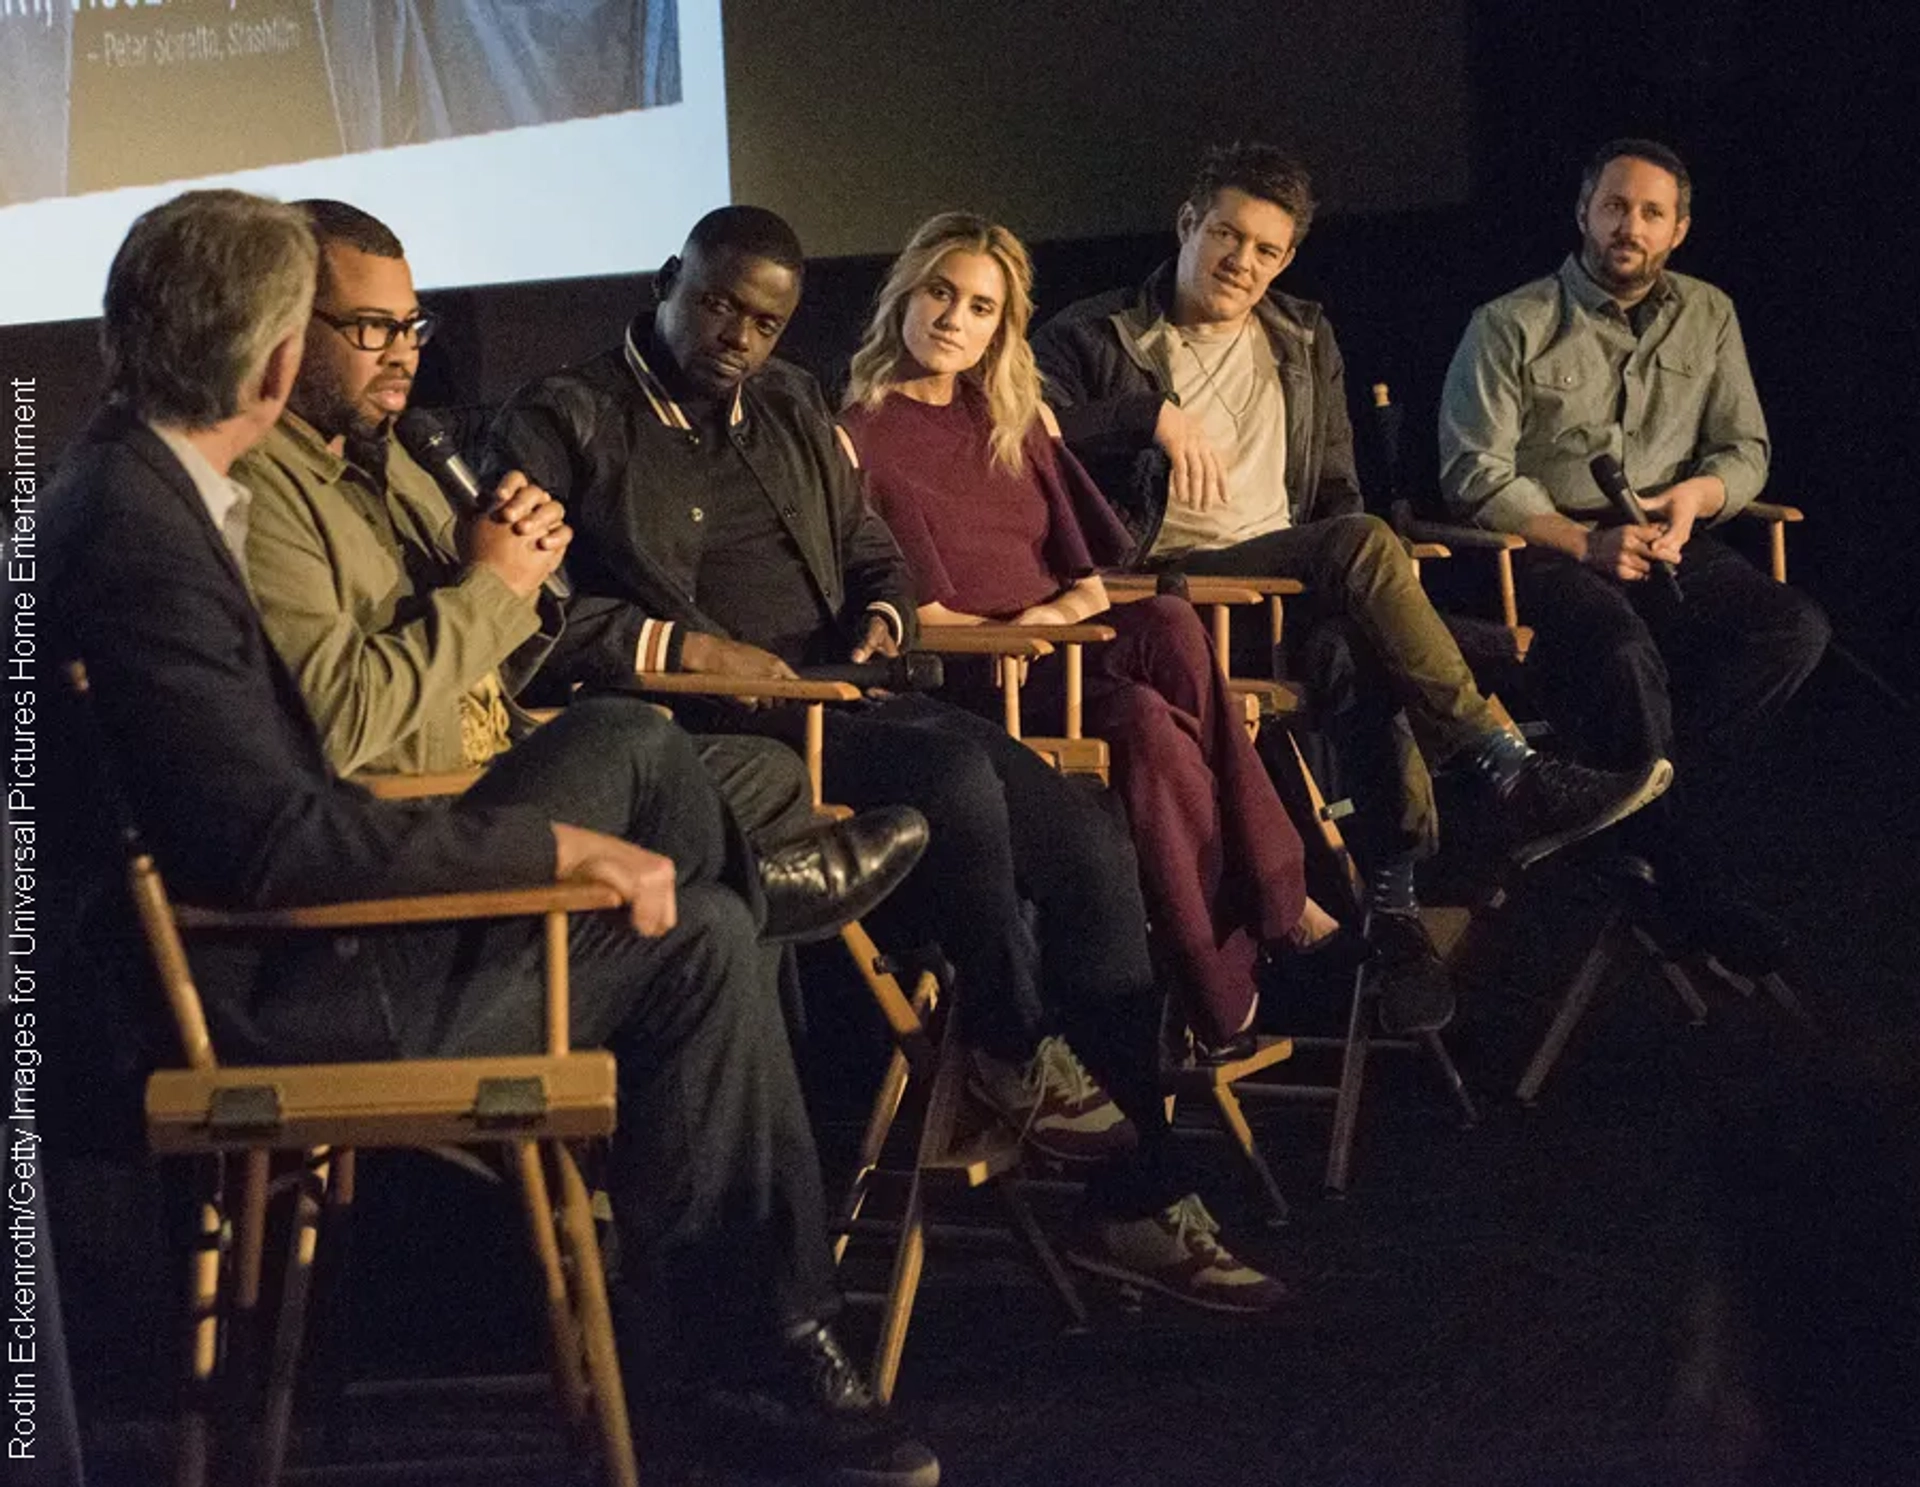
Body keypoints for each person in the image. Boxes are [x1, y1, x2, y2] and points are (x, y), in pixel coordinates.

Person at [41, 189, 937, 1487]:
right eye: (358, 328)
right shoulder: (140, 532)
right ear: (281, 355)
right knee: (705, 936)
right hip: (269, 988)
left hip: (288, 935)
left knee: (686, 874)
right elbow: (272, 844)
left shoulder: (141, 485)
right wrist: (552, 858)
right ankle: (752, 1356)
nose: (400, 356)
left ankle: (751, 1352)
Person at [489, 204, 1288, 1311]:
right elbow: (519, 614)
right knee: (957, 785)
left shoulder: (789, 404)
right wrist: (688, 647)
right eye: (718, 303)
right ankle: (1013, 1051)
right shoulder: (567, 415)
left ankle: (1136, 1198)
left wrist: (883, 618)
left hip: (850, 691)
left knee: (1089, 839)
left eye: (764, 320)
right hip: (710, 721)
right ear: (669, 278)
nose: (738, 334)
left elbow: (872, 558)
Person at [1033, 141, 1675, 1031]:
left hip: (1291, 586)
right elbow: (1025, 425)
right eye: (1227, 235)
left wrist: (1376, 578)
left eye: (1266, 249)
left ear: (1288, 257)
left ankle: (1393, 905)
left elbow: (1335, 494)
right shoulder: (1095, 333)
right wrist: (1150, 414)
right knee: (1365, 550)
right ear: (1188, 225)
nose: (1242, 262)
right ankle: (1505, 771)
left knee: (1364, 635)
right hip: (1172, 600)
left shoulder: (1301, 335)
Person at [233, 198, 928, 945]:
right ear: (280, 327)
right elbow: (340, 722)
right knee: (641, 748)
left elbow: (514, 639)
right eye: (374, 329)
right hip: (432, 807)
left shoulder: (400, 454)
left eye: (412, 328)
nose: (405, 355)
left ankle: (749, 909)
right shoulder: (259, 491)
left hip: (515, 750)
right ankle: (747, 889)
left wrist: (519, 572)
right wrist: (496, 587)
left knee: (766, 776)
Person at [839, 210, 1372, 1054]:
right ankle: (1283, 898)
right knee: (1160, 619)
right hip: (989, 681)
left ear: (1002, 327)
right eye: (941, 293)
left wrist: (1058, 616)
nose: (955, 319)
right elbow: (925, 621)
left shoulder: (1016, 419)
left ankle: (1214, 993)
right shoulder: (856, 435)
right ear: (903, 293)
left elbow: (1089, 579)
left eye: (982, 307)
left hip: (1077, 655)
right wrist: (1040, 626)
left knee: (1151, 719)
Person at [1438, 138, 1829, 971]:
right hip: (1546, 544)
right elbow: (1472, 471)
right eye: (1615, 206)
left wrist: (1697, 500)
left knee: (1793, 628)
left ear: (1679, 229)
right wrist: (1583, 539)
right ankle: (1688, 887)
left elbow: (1744, 446)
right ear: (1584, 212)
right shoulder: (1510, 322)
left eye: (1652, 213)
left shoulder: (1709, 312)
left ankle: (1642, 819)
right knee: (1622, 650)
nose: (1630, 226)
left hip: (1669, 530)